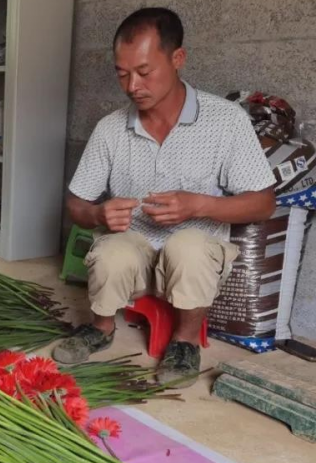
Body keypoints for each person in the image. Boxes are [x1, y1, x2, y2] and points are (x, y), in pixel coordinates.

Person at [52, 8, 276, 388]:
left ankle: (185, 342)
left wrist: (199, 205)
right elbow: (75, 204)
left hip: (194, 261)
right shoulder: (110, 129)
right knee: (110, 250)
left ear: (177, 59)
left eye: (144, 72)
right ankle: (101, 327)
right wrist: (97, 213)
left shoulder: (224, 121)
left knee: (187, 244)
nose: (132, 85)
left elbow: (264, 203)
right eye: (122, 74)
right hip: (135, 249)